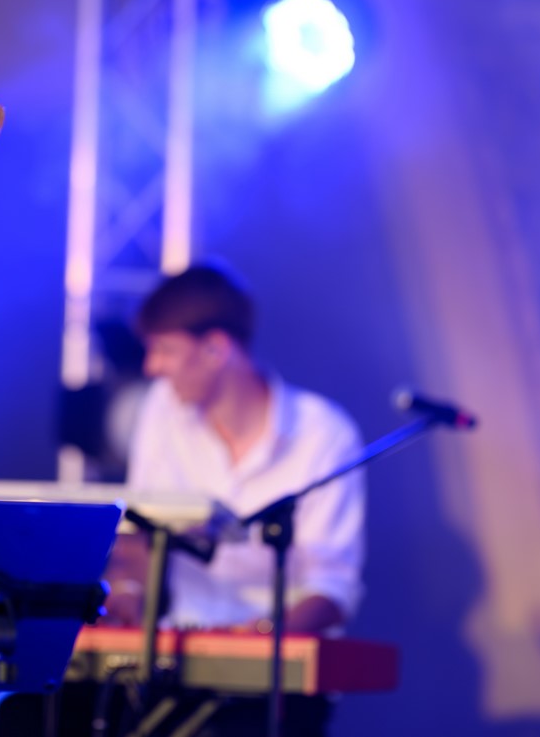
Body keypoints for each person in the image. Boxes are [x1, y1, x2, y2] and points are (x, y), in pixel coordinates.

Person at [108, 262, 365, 735]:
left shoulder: (323, 434)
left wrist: (254, 638)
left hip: (279, 681)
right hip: (174, 659)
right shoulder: (160, 411)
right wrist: (127, 595)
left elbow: (332, 587)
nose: (152, 367)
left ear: (216, 348)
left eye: (164, 350)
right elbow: (140, 532)